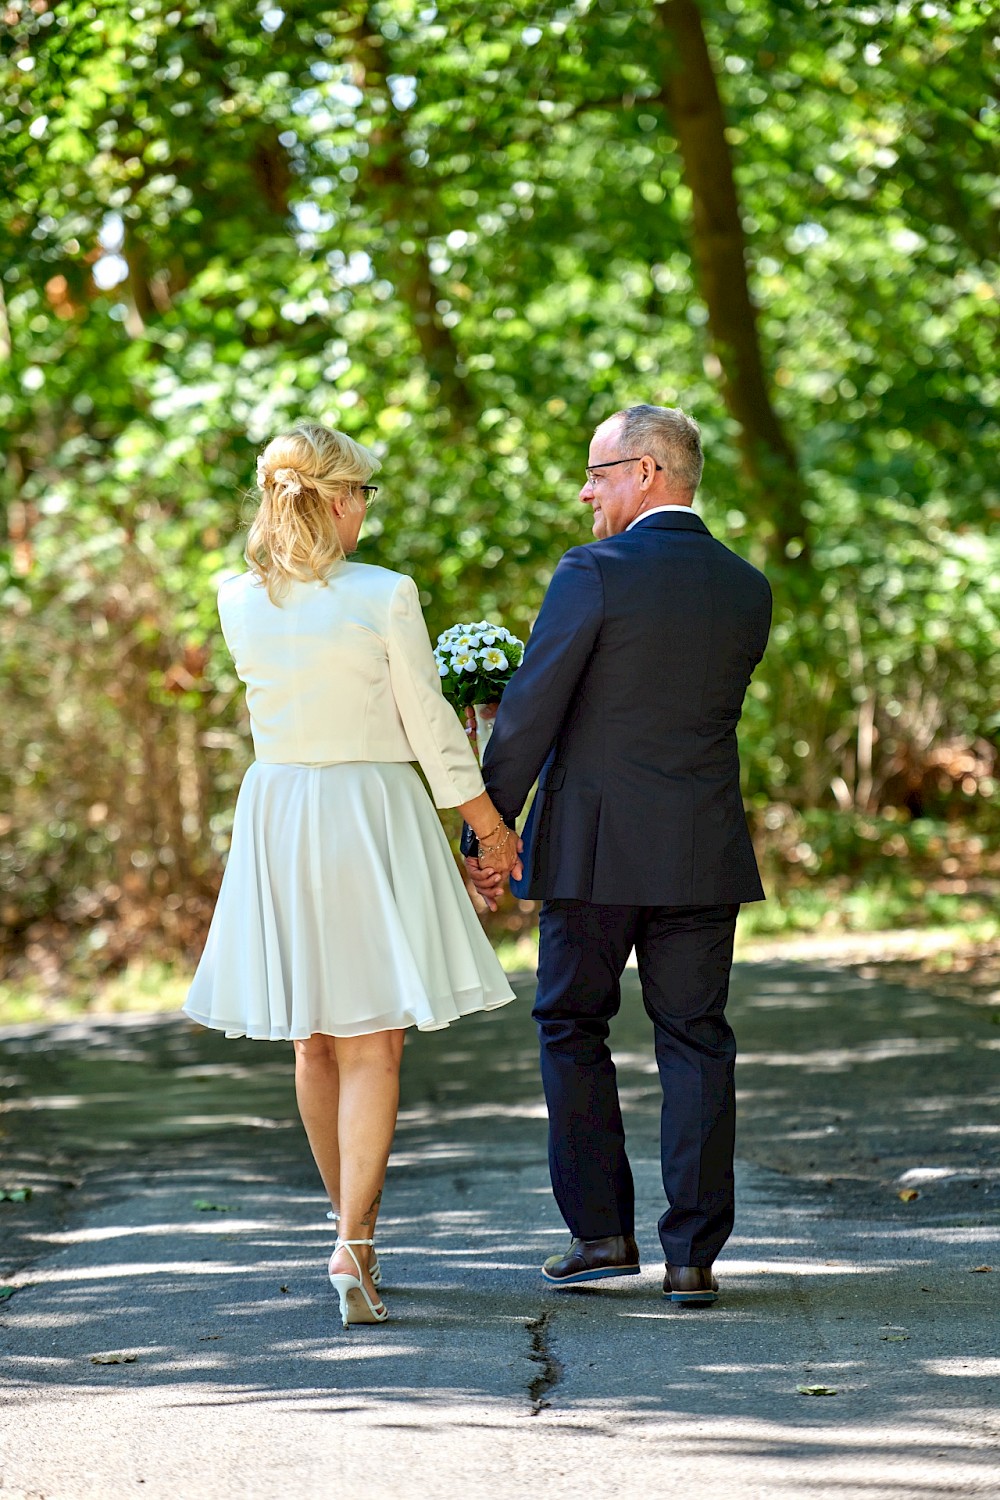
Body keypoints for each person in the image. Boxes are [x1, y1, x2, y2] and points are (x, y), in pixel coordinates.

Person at [184, 422, 520, 1328]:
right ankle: (354, 1244)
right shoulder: (384, 593)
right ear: (336, 500)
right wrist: (485, 822)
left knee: (313, 1038)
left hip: (281, 813)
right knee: (374, 1040)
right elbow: (427, 725)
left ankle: (351, 1234)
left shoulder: (235, 598)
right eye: (364, 493)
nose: (367, 508)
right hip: (368, 810)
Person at [465, 404, 771, 1305]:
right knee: (696, 1039)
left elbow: (533, 709)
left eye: (598, 472)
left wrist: (488, 827)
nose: (587, 490)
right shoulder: (746, 585)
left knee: (571, 1026)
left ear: (646, 472)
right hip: (701, 849)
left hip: (594, 853)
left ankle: (601, 1232)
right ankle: (693, 1257)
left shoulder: (592, 572)